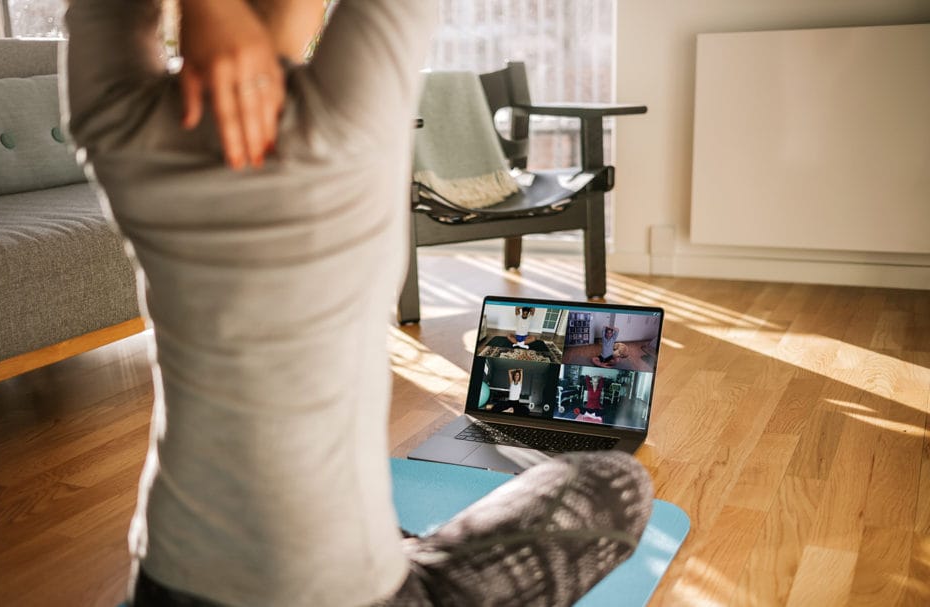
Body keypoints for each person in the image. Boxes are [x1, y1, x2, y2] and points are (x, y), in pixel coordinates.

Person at [63, 1, 653, 605]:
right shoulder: (345, 117)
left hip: (170, 577)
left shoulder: (120, 126)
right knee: (617, 482)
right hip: (349, 589)